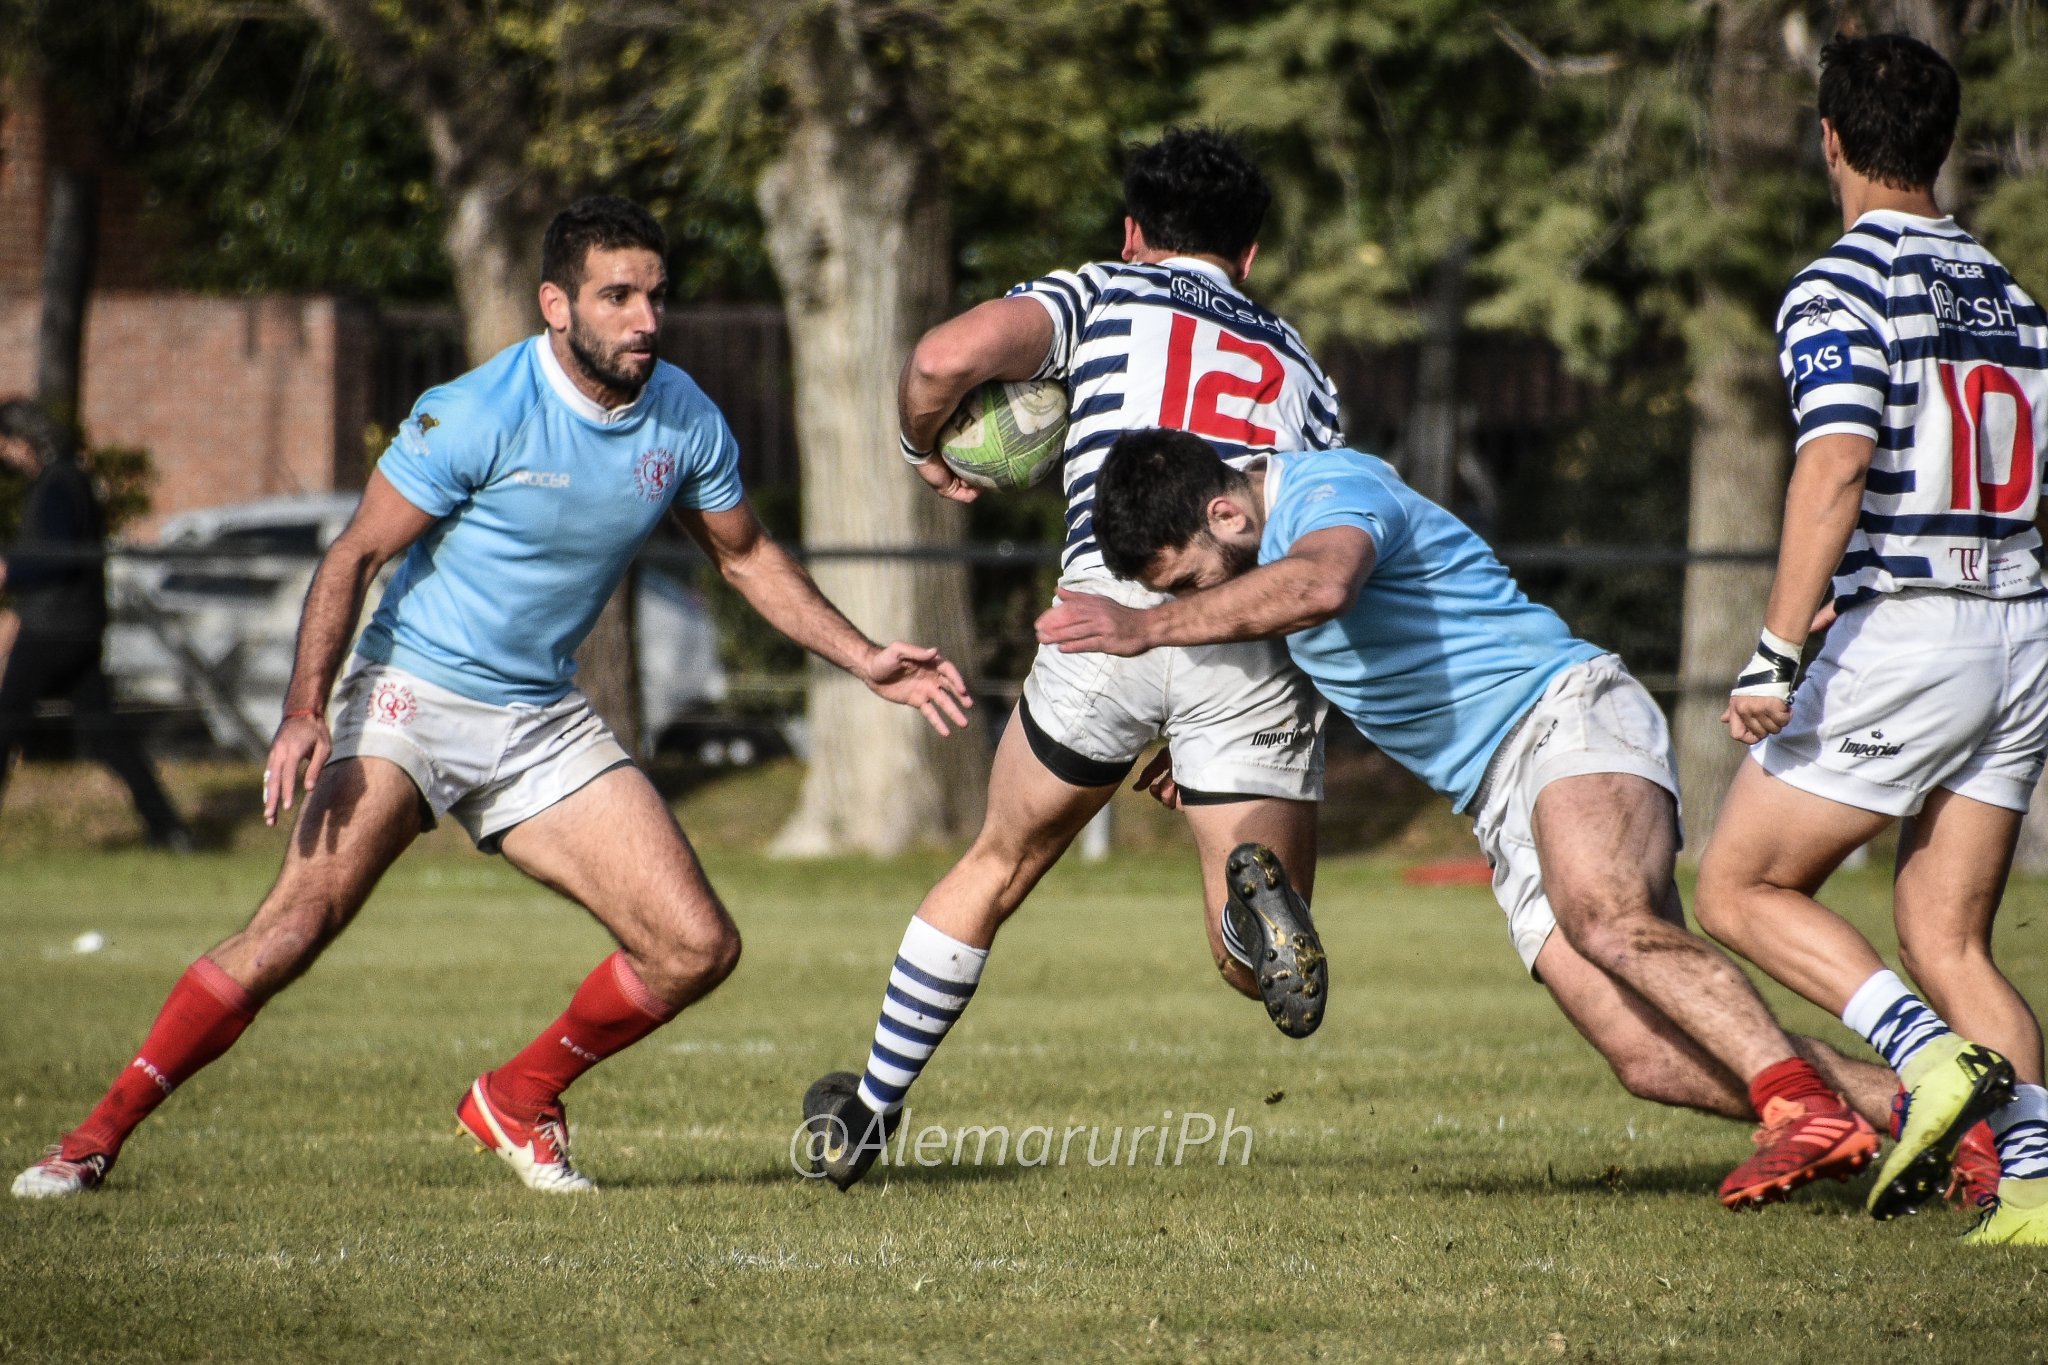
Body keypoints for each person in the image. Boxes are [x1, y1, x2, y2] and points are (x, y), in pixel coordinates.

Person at [11, 195, 971, 1200]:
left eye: (654, 294)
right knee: (292, 930)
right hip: (410, 696)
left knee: (693, 947)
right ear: (556, 305)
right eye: (616, 296)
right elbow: (355, 556)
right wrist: (306, 708)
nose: (645, 318)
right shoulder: (477, 408)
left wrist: (862, 658)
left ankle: (519, 1098)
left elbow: (746, 557)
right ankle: (91, 1138)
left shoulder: (682, 413)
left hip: (538, 716)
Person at [1047, 427, 1905, 1210]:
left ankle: (1798, 1106)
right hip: (1498, 796)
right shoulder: (1262, 546)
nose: (1193, 606)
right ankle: (1922, 1113)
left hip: (1560, 714)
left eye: (1190, 580)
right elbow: (1315, 631)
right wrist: (1204, 759)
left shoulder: (1329, 489)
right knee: (1647, 1055)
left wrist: (1146, 628)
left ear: (1228, 511)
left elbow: (1323, 583)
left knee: (1605, 915)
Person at [799, 128, 1345, 1190]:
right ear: (1250, 255)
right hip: (1244, 635)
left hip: (1103, 616)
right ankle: (1253, 903)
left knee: (997, 864)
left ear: (1135, 232)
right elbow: (1315, 549)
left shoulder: (1104, 290)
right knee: (1247, 970)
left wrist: (924, 447)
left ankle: (865, 1111)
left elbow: (939, 361)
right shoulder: (1302, 369)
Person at [1693, 33, 2048, 1245]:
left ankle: (1924, 1059)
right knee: (1947, 934)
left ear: (1828, 140)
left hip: (1912, 631)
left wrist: (1775, 650)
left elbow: (1835, 459)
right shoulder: (2010, 292)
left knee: (1736, 886)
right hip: (2016, 625)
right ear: (1942, 146)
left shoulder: (1839, 282)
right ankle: (2038, 1186)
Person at [0, 399, 191, 849]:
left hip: (53, 629)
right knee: (104, 735)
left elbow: (59, 554)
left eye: (6, 446)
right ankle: (170, 829)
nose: (5, 458)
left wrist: (11, 570)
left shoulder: (58, 485)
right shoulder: (67, 481)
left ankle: (169, 828)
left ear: (24, 442)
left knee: (5, 725)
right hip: (78, 626)